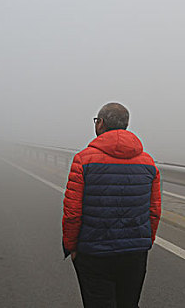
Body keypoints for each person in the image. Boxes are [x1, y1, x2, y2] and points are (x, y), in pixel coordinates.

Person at [62, 102, 161, 308]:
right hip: (135, 253)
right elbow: (154, 211)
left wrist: (71, 246)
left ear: (101, 124)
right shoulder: (148, 163)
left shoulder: (83, 160)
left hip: (93, 253)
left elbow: (73, 213)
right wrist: (144, 242)